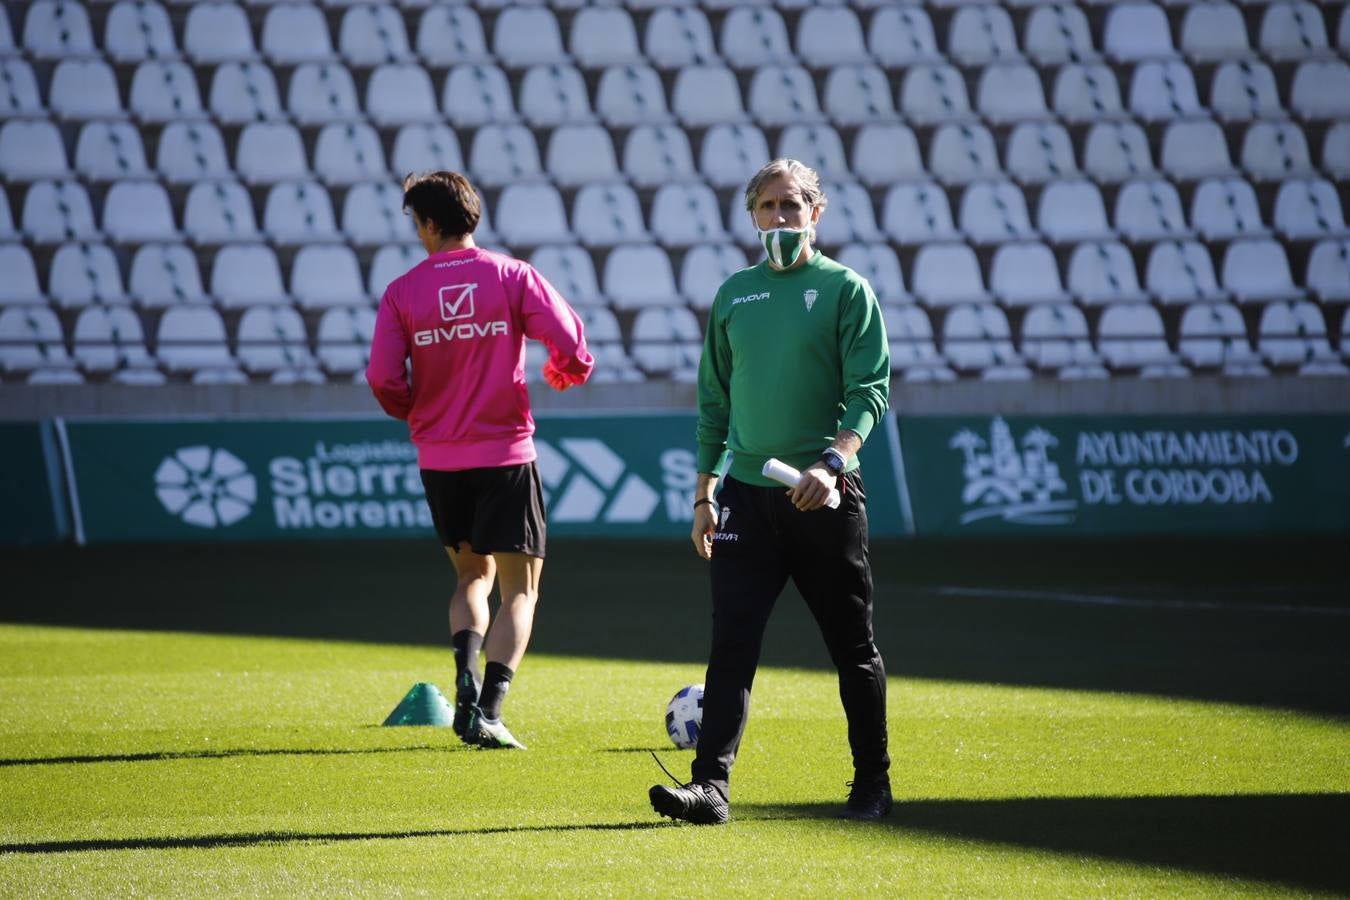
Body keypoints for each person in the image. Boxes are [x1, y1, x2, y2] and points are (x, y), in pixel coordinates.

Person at [648, 159, 892, 823]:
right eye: (768, 207)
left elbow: (869, 390)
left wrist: (833, 463)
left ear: (817, 213)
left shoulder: (846, 289)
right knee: (731, 648)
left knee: (852, 648)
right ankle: (710, 789)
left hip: (824, 497)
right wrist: (704, 496)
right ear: (752, 216)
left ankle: (872, 785)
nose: (780, 218)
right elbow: (713, 405)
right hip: (745, 501)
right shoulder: (733, 295)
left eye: (792, 206)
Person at [367, 171, 594, 750]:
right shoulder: (511, 276)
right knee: (521, 591)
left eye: (415, 222)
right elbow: (569, 340)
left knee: (471, 575)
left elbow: (382, 377)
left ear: (431, 223)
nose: (416, 232)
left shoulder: (402, 293)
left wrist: (415, 412)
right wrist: (566, 371)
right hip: (506, 454)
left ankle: (466, 679)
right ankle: (489, 710)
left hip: (441, 459)